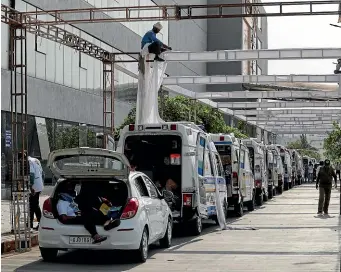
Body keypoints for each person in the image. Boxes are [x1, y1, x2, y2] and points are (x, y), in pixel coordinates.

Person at [28, 155, 44, 230]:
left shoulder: (30, 162)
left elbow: (31, 174)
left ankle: (31, 224)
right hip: (39, 185)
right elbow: (42, 173)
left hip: (35, 186)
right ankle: (35, 223)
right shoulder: (36, 160)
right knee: (34, 204)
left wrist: (31, 187)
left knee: (32, 205)